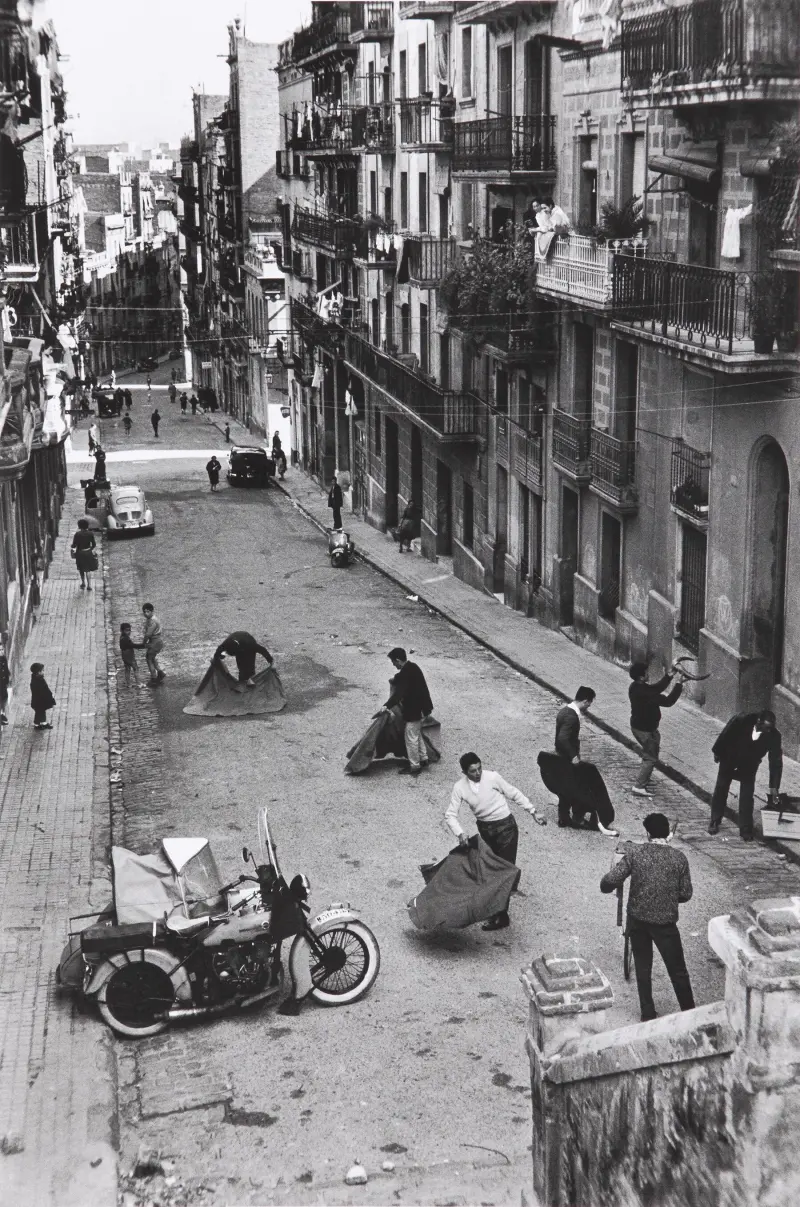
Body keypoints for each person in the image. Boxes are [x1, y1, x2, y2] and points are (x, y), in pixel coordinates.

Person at [600, 813, 695, 1022]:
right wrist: (666, 897)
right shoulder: (679, 858)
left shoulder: (636, 853)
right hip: (666, 924)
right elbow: (686, 893)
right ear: (667, 833)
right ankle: (691, 1014)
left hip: (638, 920)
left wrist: (607, 882)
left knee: (643, 967)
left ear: (648, 833)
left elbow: (610, 882)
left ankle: (648, 1013)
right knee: (678, 971)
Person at [446, 752, 547, 931]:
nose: (478, 773)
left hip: (506, 828)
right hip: (486, 830)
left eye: (479, 768)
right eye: (472, 771)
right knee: (491, 868)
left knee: (501, 871)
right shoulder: (459, 787)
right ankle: (500, 898)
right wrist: (460, 833)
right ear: (464, 772)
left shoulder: (492, 777)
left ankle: (501, 916)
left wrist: (533, 811)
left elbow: (514, 793)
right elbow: (450, 815)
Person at [708, 709, 782, 840]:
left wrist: (774, 789)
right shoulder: (742, 720)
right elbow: (725, 734)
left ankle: (746, 828)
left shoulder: (774, 736)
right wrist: (717, 752)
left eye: (771, 729)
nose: (769, 731)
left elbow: (775, 763)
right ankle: (715, 819)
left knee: (747, 795)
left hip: (749, 764)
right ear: (758, 722)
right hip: (730, 758)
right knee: (721, 787)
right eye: (767, 728)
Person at [628, 662, 683, 797]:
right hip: (645, 730)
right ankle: (639, 786)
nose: (648, 674)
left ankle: (644, 777)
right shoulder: (646, 693)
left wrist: (670, 675)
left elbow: (656, 688)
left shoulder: (635, 686)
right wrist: (679, 684)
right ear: (641, 677)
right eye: (646, 673)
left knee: (651, 753)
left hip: (642, 727)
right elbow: (668, 701)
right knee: (651, 758)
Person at [381, 647, 433, 776]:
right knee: (416, 733)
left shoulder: (405, 673)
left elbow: (398, 695)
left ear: (398, 660)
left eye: (394, 662)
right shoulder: (412, 667)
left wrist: (386, 705)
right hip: (424, 708)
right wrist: (396, 678)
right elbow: (402, 677)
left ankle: (415, 766)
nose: (394, 665)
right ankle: (424, 758)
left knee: (410, 737)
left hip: (415, 711)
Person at [141, 603, 165, 684]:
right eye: (144, 612)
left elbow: (148, 634)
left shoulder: (152, 621)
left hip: (155, 641)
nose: (145, 613)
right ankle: (160, 672)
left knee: (149, 659)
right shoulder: (151, 619)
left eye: (147, 611)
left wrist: (143, 643)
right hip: (155, 641)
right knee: (152, 657)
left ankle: (154, 678)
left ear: (152, 611)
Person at [70, 518, 97, 591]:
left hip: (80, 553)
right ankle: (89, 585)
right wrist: (90, 550)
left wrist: (72, 546)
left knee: (81, 569)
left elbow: (74, 545)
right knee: (88, 570)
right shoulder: (90, 533)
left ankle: (83, 583)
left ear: (79, 526)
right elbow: (94, 544)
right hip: (88, 552)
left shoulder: (77, 534)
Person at [30, 663, 56, 730]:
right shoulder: (38, 681)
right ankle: (37, 724)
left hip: (39, 701)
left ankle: (43, 723)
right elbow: (43, 691)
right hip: (39, 701)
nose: (43, 672)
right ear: (38, 672)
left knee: (41, 711)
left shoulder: (37, 679)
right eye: (42, 671)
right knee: (39, 712)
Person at [0, 635, 10, 726]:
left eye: (2, 649)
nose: (2, 652)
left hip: (3, 684)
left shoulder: (3, 658)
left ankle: (2, 713)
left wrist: (7, 679)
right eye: (0, 650)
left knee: (4, 698)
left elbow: (6, 670)